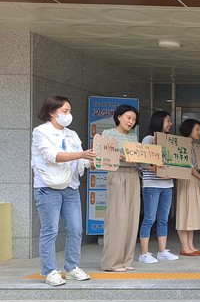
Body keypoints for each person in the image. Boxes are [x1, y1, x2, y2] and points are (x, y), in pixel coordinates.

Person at [31, 95, 94, 286]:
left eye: (70, 111)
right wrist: (82, 154)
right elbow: (52, 156)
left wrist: (92, 161)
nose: (68, 115)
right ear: (52, 112)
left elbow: (79, 160)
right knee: (50, 230)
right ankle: (50, 271)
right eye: (65, 111)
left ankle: (72, 267)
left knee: (76, 229)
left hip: (71, 187)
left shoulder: (72, 134)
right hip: (47, 188)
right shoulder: (41, 132)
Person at [101, 104, 142, 272]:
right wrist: (119, 156)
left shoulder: (133, 136)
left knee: (132, 218)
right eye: (128, 117)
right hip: (117, 174)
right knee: (117, 218)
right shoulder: (108, 134)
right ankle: (112, 263)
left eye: (134, 119)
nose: (131, 121)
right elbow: (103, 155)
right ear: (119, 117)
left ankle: (126, 260)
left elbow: (139, 157)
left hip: (133, 175)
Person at [138, 110, 179, 264]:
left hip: (167, 184)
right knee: (149, 218)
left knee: (163, 219)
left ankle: (162, 251)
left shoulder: (169, 140)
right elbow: (142, 163)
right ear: (159, 121)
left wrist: (171, 172)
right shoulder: (149, 139)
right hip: (152, 184)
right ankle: (144, 253)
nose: (170, 124)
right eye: (168, 121)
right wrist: (158, 170)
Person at [176, 118, 200, 256]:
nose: (199, 132)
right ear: (189, 129)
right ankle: (185, 247)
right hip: (188, 180)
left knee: (192, 213)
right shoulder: (182, 145)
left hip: (195, 181)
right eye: (197, 129)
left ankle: (191, 246)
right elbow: (190, 168)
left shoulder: (193, 146)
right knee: (186, 212)